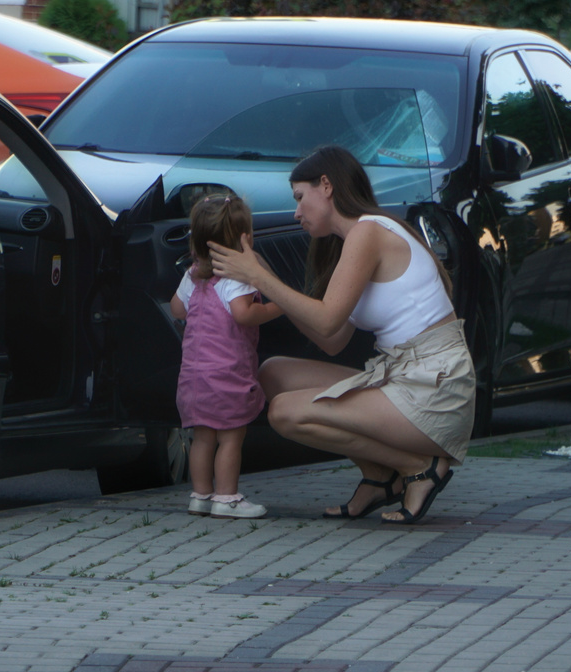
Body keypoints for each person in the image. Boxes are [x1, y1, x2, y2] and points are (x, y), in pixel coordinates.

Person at [210, 145, 474, 525]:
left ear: (327, 185)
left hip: (435, 391)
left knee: (286, 413)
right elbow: (331, 340)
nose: (297, 212)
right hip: (401, 376)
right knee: (272, 374)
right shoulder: (355, 240)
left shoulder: (368, 232)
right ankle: (380, 477)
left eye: (300, 198)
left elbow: (328, 321)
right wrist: (264, 276)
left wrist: (258, 277)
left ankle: (419, 468)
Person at [172, 193, 284, 519]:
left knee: (203, 438)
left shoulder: (194, 274)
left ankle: (200, 495)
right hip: (226, 376)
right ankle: (226, 498)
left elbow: (178, 308)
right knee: (231, 438)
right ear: (243, 239)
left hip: (193, 377)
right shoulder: (234, 278)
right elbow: (244, 315)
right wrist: (279, 304)